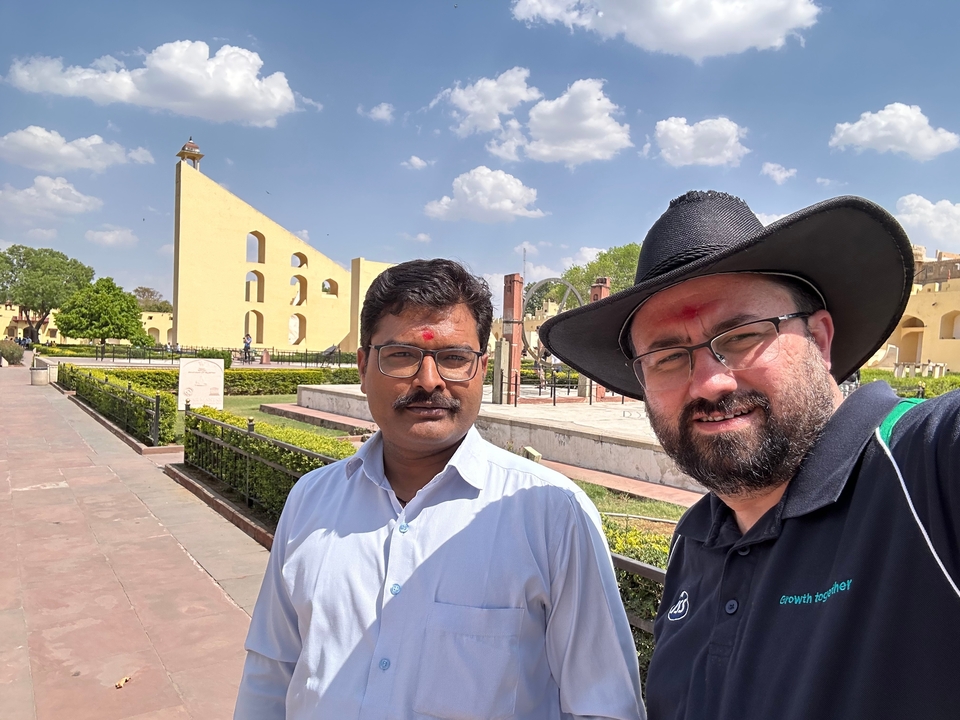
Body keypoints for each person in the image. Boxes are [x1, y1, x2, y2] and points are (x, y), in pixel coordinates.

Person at [539, 190, 960, 720]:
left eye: (741, 336)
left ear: (820, 339)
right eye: (668, 356)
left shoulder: (925, 470)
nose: (710, 382)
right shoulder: (697, 540)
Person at [234, 258, 644, 720]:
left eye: (453, 358)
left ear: (482, 370)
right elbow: (272, 671)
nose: (429, 381)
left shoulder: (550, 514)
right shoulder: (312, 501)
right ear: (363, 366)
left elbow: (603, 705)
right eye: (402, 356)